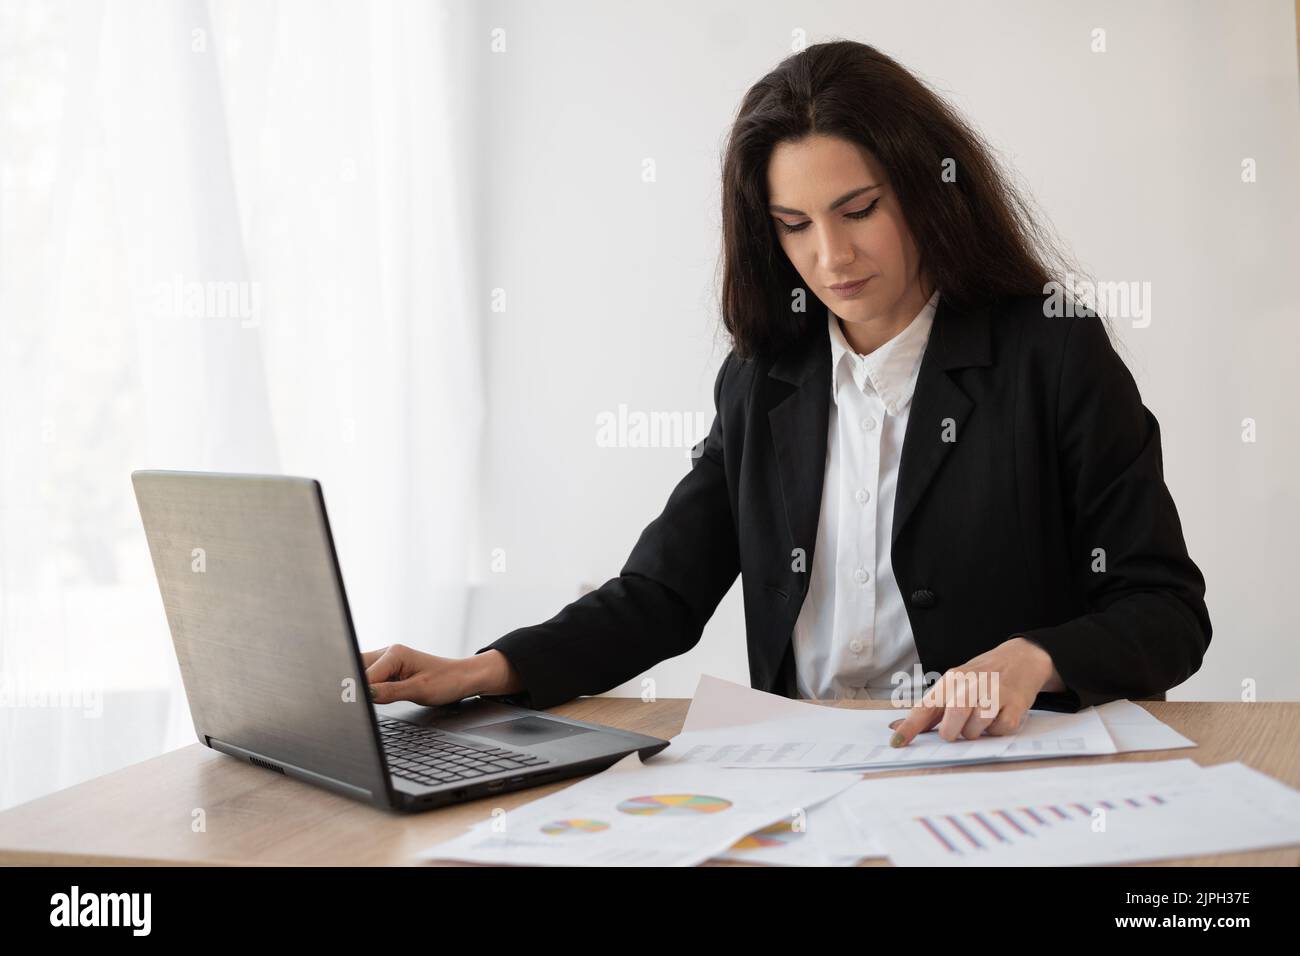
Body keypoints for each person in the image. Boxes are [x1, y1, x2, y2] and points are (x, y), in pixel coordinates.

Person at [364, 40, 1210, 748]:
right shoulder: (764, 379)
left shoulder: (1051, 354)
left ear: (926, 190)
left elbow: (1166, 610)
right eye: (794, 225)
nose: (831, 257)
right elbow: (660, 595)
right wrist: (486, 668)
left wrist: (1030, 657)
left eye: (860, 210)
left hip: (994, 772)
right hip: (803, 776)